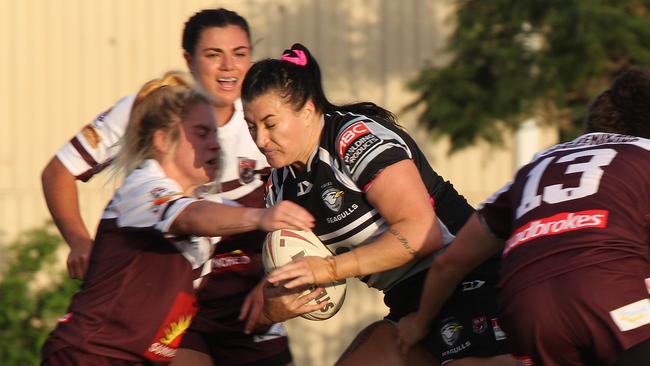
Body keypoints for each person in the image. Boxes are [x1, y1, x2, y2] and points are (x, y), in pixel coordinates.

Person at [40, 8, 295, 366]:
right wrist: (81, 242)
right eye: (213, 55)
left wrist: (285, 276)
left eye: (240, 53)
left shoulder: (262, 123)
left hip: (216, 310)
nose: (228, 66)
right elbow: (189, 216)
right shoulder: (147, 180)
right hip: (94, 353)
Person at [241, 43, 514, 366]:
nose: (260, 140)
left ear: (308, 110)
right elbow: (262, 306)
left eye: (270, 124)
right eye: (251, 126)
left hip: (467, 275)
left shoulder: (354, 139)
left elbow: (421, 234)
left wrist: (330, 269)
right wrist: (275, 307)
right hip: (407, 300)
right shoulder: (281, 187)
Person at [395, 67, 650, 366]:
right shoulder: (643, 155)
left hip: (529, 312)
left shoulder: (536, 167)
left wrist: (420, 321)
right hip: (611, 294)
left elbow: (450, 263)